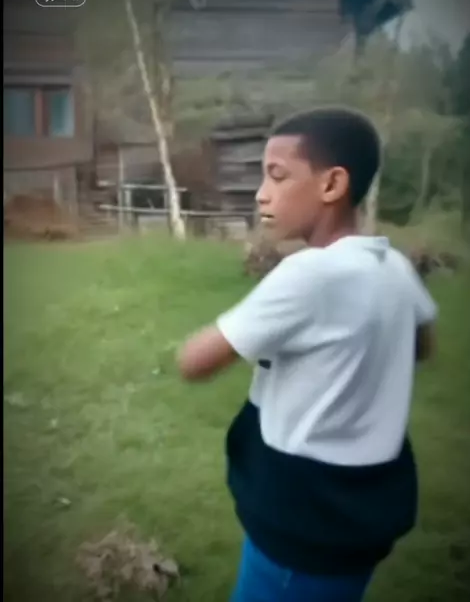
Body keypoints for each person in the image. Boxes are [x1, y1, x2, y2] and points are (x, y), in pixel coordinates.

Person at [177, 107, 437, 602]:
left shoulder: (308, 274)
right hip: (366, 507)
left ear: (332, 184)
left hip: (302, 516)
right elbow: (422, 346)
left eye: (277, 176)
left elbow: (195, 361)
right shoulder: (394, 266)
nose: (261, 193)